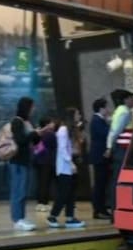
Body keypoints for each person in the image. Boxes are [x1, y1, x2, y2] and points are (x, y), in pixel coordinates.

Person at [9, 97, 53, 231]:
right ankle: (17, 219)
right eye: (32, 107)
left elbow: (34, 141)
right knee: (18, 191)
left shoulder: (27, 122)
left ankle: (21, 217)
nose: (33, 109)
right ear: (26, 107)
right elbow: (21, 140)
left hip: (26, 160)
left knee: (23, 191)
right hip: (17, 161)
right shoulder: (17, 121)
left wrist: (41, 132)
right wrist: (36, 132)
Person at [47, 107, 86, 229]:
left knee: (71, 193)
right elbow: (63, 149)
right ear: (72, 116)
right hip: (65, 167)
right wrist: (71, 163)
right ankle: (53, 215)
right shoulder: (63, 130)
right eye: (77, 114)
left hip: (70, 166)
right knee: (63, 193)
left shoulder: (71, 130)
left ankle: (70, 217)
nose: (79, 116)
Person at [104, 89, 133, 221]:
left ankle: (116, 211)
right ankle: (116, 212)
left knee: (116, 180)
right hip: (121, 150)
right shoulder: (124, 111)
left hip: (121, 150)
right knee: (117, 180)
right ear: (125, 99)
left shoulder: (120, 111)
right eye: (131, 98)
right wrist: (109, 147)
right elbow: (115, 131)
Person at [89, 98, 111, 220]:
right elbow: (106, 133)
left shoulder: (100, 120)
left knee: (102, 184)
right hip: (99, 157)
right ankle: (98, 210)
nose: (108, 110)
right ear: (101, 108)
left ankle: (101, 208)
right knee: (100, 184)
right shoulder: (97, 120)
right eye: (107, 107)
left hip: (101, 157)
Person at [33, 115, 57, 213]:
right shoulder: (50, 134)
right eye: (51, 122)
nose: (53, 124)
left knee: (41, 182)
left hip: (39, 160)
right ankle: (43, 203)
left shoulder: (39, 134)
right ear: (47, 124)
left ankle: (41, 203)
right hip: (47, 161)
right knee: (45, 183)